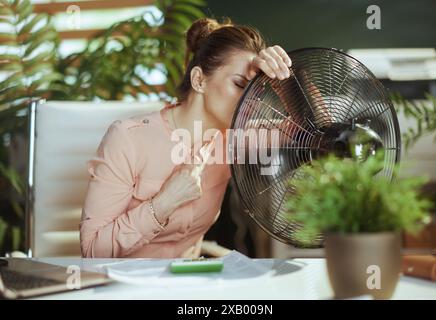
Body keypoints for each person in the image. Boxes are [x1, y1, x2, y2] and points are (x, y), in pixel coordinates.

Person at [79, 17, 292, 258]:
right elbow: (93, 251)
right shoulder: (128, 139)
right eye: (240, 84)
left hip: (189, 288)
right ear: (199, 80)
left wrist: (285, 81)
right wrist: (164, 202)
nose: (250, 102)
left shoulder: (234, 138)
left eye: (256, 91)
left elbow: (317, 135)